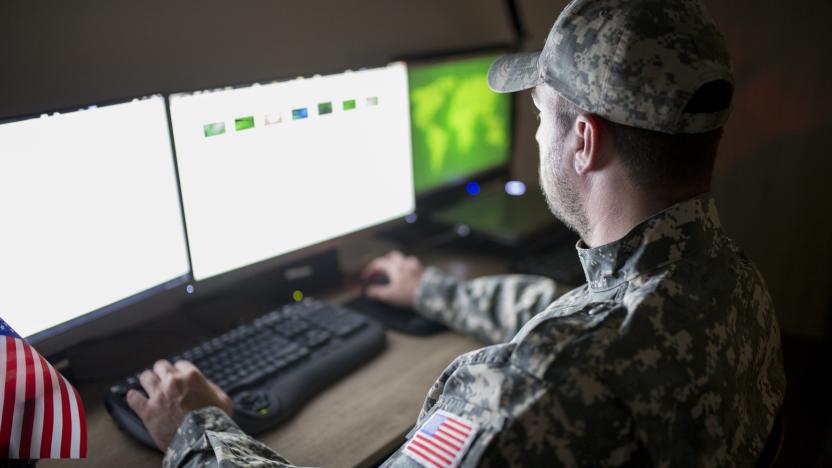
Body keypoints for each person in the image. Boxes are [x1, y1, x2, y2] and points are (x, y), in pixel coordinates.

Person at [126, 0, 786, 466]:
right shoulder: (733, 282)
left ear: (584, 141)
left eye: (539, 112)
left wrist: (198, 430)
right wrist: (434, 291)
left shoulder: (526, 388)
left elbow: (573, 347)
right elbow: (592, 316)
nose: (534, 131)